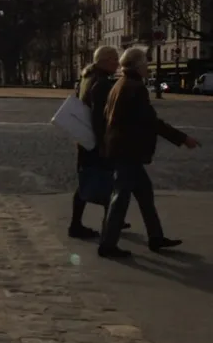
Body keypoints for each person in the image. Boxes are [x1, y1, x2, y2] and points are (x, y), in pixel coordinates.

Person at [98, 46, 200, 259]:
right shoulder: (135, 87)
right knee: (121, 198)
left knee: (144, 194)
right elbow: (152, 122)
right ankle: (108, 244)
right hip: (128, 150)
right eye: (145, 63)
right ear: (137, 66)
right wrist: (182, 138)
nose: (147, 67)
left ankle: (155, 236)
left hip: (121, 148)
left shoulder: (120, 84)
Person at [69, 45, 120, 240]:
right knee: (107, 181)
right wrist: (104, 144)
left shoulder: (87, 78)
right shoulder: (102, 82)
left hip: (84, 138)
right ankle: (109, 227)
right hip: (96, 140)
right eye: (114, 59)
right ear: (105, 60)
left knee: (86, 181)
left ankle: (77, 223)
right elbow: (100, 118)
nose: (117, 63)